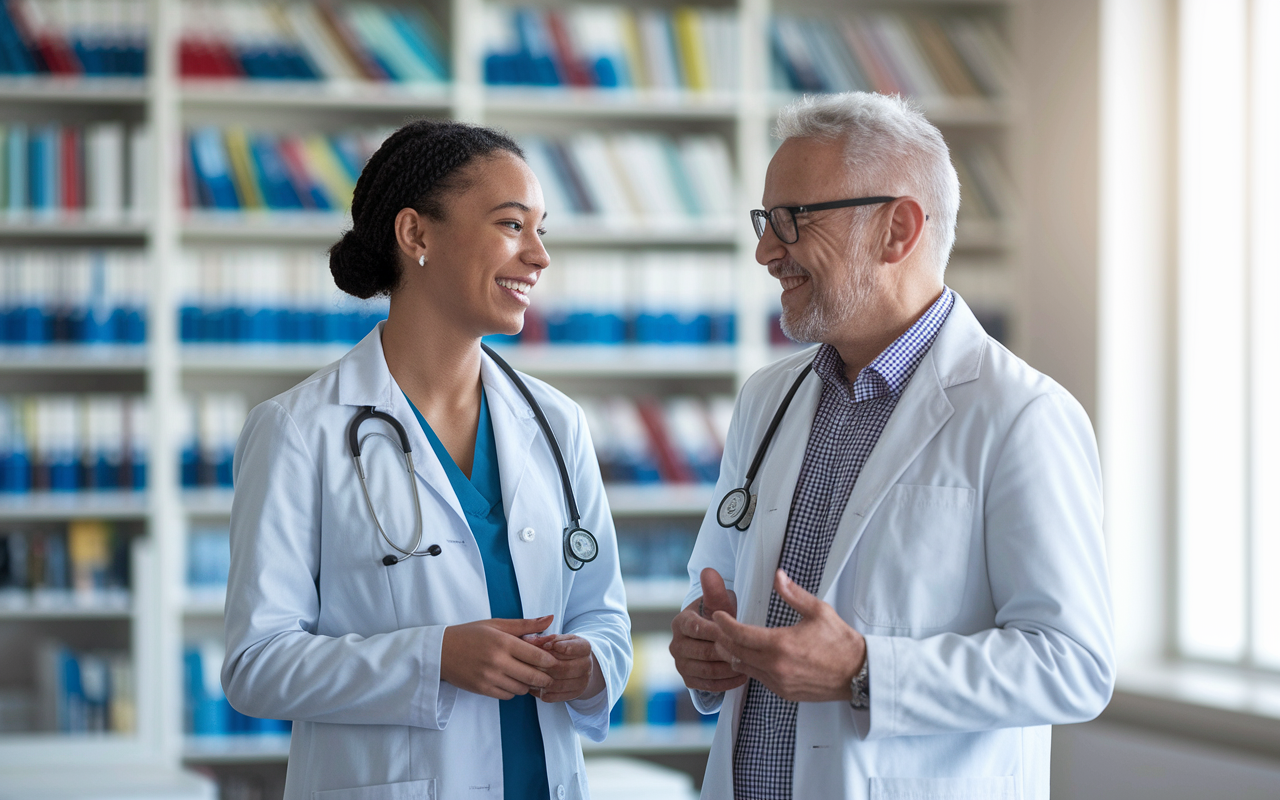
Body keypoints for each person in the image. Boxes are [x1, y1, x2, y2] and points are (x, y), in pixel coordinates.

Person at [670, 92, 1114, 800]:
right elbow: (718, 587)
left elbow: (1073, 665)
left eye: (791, 220)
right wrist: (704, 646)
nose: (765, 251)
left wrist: (865, 670)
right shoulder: (767, 398)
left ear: (896, 230)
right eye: (764, 221)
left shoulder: (1023, 415)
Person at [222, 119, 632, 800]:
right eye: (511, 225)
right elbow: (255, 665)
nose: (538, 256)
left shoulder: (556, 424)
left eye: (541, 230)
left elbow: (603, 615)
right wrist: (433, 659)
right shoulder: (300, 430)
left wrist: (590, 667)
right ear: (416, 236)